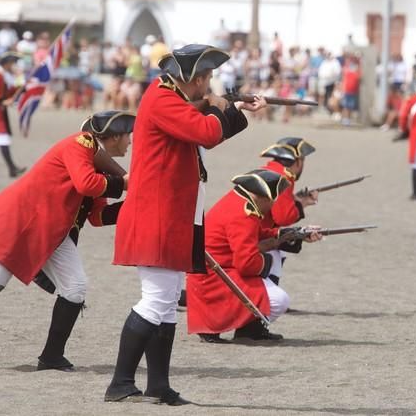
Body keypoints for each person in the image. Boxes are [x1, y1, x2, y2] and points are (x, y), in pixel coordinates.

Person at [104, 44, 266, 405]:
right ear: (191, 78)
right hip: (158, 214)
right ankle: (120, 382)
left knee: (164, 304)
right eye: (205, 78)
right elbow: (206, 131)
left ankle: (158, 386)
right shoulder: (163, 99)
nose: (207, 85)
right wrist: (223, 106)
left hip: (176, 215)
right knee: (156, 300)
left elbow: (207, 130)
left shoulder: (170, 97)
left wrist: (234, 108)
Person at [0, 111, 134, 369]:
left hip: (53, 231)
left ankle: (51, 356)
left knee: (75, 288)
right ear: (113, 136)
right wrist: (123, 183)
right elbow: (86, 184)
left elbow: (97, 216)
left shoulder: (98, 164)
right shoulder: (82, 143)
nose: (130, 142)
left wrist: (135, 205)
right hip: (21, 220)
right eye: (127, 136)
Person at [187, 169, 321, 343]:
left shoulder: (240, 200)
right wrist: (267, 259)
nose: (273, 206)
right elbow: (247, 263)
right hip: (216, 278)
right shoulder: (244, 213)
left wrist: (293, 234)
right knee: (279, 300)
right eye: (272, 201)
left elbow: (257, 234)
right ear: (264, 197)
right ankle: (249, 328)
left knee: (272, 258)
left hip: (218, 270)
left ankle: (250, 328)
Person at [258, 138, 317, 286]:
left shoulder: (271, 170)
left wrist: (297, 201)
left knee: (282, 245)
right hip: (255, 238)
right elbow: (282, 217)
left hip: (257, 232)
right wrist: (301, 205)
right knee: (280, 301)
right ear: (297, 161)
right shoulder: (283, 177)